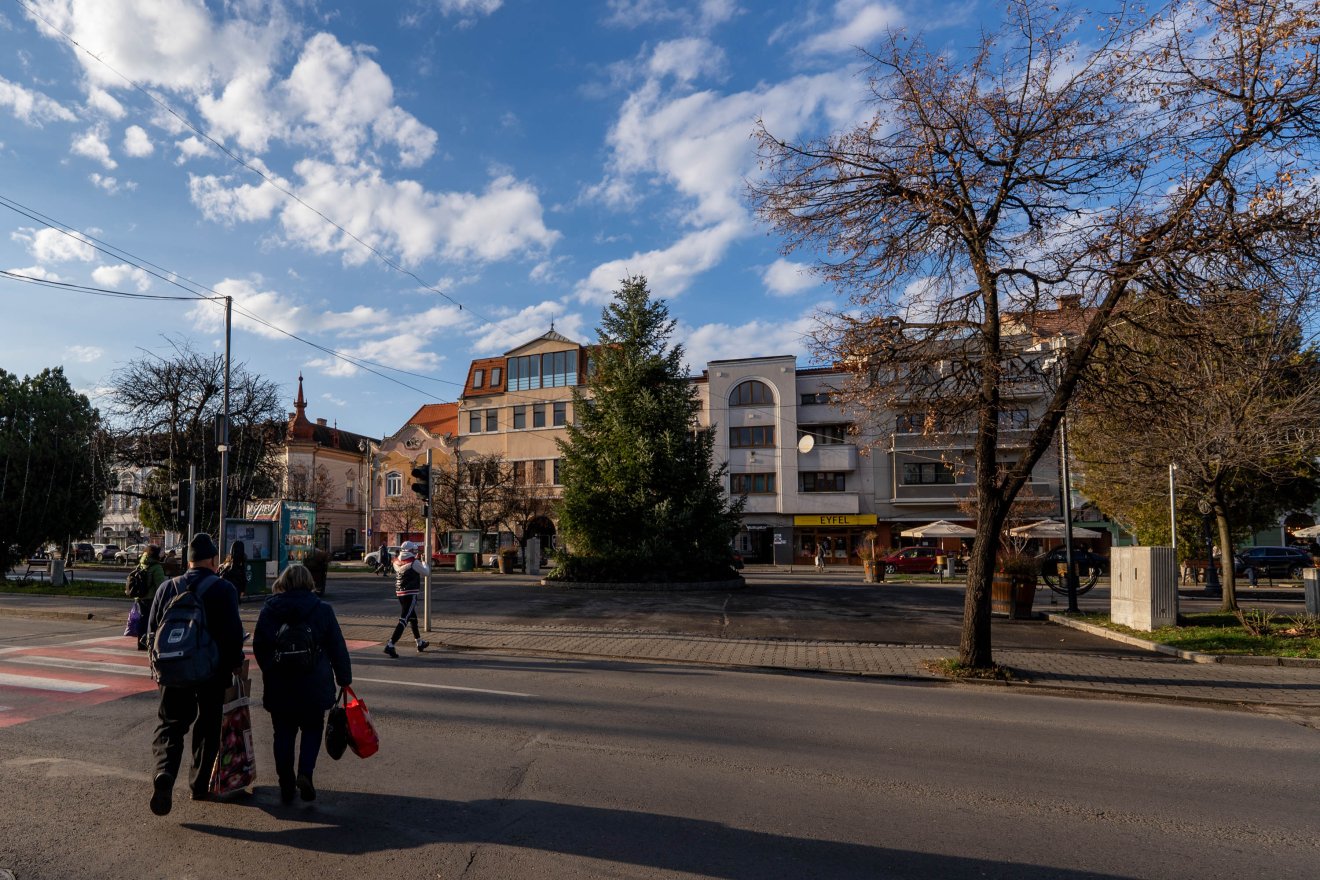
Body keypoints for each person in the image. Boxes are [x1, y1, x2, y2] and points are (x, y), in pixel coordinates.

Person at [146, 532, 244, 817]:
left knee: (169, 724)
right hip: (211, 673)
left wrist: (158, 664)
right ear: (213, 560)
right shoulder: (223, 589)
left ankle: (164, 772)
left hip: (173, 668)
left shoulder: (167, 588)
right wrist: (234, 664)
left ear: (188, 560)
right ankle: (199, 784)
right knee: (208, 725)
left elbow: (151, 631)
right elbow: (232, 635)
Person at [252, 563, 351, 804]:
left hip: (280, 684)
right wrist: (344, 679)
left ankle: (285, 782)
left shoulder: (270, 609)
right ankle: (305, 773)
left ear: (284, 582)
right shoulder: (322, 610)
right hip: (313, 684)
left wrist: (271, 668)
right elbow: (337, 647)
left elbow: (259, 646)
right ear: (309, 582)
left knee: (282, 733)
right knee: (312, 729)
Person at [384, 541, 429, 657]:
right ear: (409, 551)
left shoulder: (396, 562)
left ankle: (419, 642)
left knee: (413, 618)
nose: (415, 553)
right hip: (410, 593)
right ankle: (391, 644)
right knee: (404, 619)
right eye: (414, 551)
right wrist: (424, 562)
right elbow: (426, 572)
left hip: (400, 593)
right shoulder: (414, 563)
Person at [132, 545, 167, 651]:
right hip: (152, 598)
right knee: (152, 621)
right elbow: (161, 585)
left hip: (140, 597)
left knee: (142, 620)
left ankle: (141, 643)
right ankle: (151, 643)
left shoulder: (142, 563)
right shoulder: (156, 567)